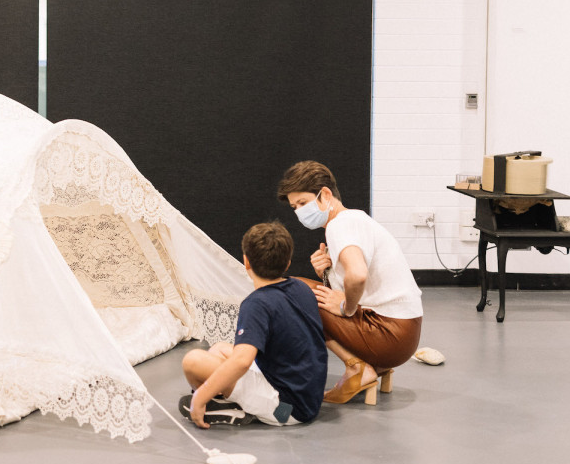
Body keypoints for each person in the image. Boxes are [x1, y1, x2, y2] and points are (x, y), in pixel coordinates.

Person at [277, 160, 423, 405]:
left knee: (290, 291)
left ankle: (357, 368)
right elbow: (357, 280)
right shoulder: (355, 220)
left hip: (389, 334)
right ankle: (364, 366)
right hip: (403, 332)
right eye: (294, 207)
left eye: (302, 203)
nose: (299, 211)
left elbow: (358, 275)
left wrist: (348, 308)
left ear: (325, 194)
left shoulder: (340, 225)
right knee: (302, 288)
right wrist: (327, 272)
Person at [179, 221, 327, 427]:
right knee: (220, 348)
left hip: (287, 409)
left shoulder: (256, 303)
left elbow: (242, 362)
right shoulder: (301, 287)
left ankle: (216, 405)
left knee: (193, 361)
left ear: (246, 262)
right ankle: (222, 400)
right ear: (288, 262)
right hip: (307, 397)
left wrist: (201, 395)